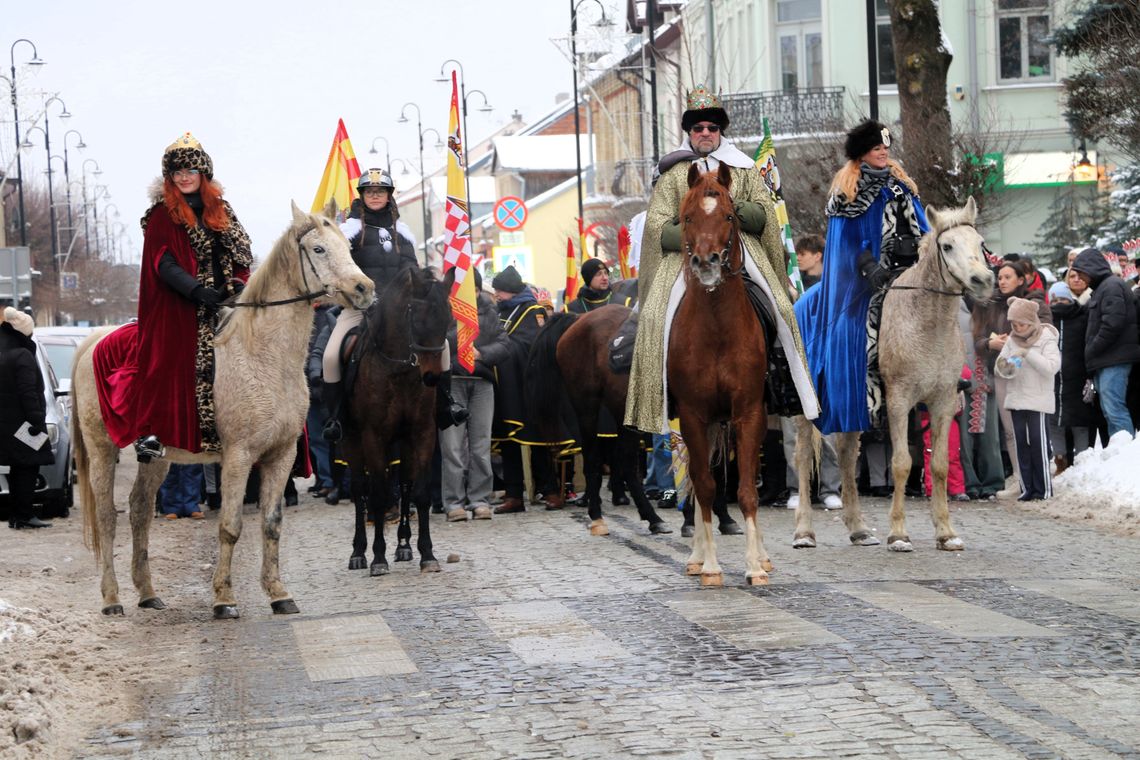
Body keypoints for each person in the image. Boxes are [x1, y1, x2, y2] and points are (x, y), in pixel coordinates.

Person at [626, 84, 819, 433]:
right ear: (689, 132)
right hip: (687, 256)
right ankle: (658, 392)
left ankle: (783, 383)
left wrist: (734, 212)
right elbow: (656, 224)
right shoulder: (672, 173)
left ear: (720, 132)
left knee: (782, 305)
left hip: (739, 250)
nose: (705, 133)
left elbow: (764, 213)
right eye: (698, 128)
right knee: (654, 313)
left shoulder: (743, 168)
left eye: (712, 128)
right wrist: (691, 234)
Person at [794, 119, 928, 435]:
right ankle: (852, 398)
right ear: (862, 153)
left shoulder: (902, 187)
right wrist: (867, 264)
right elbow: (844, 242)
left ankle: (943, 377)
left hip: (906, 270)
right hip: (862, 279)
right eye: (875, 148)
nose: (883, 153)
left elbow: (924, 227)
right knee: (848, 328)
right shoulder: (846, 194)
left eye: (885, 147)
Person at [320, 168, 466, 442]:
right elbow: (340, 269)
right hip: (360, 308)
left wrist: (418, 291)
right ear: (362, 196)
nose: (375, 196)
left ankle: (446, 405)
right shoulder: (348, 232)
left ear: (389, 196)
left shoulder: (403, 232)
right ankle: (336, 419)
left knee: (443, 347)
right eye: (370, 192)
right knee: (330, 357)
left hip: (400, 310)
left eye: (381, 191)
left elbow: (413, 269)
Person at [134, 132, 253, 462]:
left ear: (204, 175)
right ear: (170, 178)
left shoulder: (223, 210)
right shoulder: (162, 214)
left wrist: (237, 284)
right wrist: (196, 290)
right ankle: (153, 431)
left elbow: (242, 254)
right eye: (177, 173)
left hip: (225, 302)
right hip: (181, 305)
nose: (184, 177)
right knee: (166, 358)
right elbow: (163, 262)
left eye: (190, 171)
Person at [971, 259, 1051, 494]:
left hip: (1031, 373)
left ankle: (1041, 476)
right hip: (1003, 371)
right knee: (1010, 429)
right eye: (1000, 277)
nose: (1003, 281)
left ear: (1021, 279)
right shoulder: (990, 304)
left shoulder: (1035, 303)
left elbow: (1045, 334)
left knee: (1033, 428)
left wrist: (1015, 342)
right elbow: (978, 339)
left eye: (1008, 277)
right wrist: (991, 343)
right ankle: (1020, 478)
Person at [440, 269, 511, 521]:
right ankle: (453, 502)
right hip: (453, 382)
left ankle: (480, 499)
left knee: (481, 444)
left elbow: (504, 345)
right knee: (452, 446)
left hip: (481, 383)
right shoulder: (442, 311)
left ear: (479, 291)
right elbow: (437, 343)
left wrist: (481, 354)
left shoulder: (490, 312)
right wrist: (461, 335)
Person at [489, 265, 548, 513]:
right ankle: (514, 495)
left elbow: (534, 344)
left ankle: (550, 489)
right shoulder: (497, 312)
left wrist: (502, 347)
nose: (497, 296)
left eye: (500, 292)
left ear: (510, 291)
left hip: (529, 385)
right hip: (505, 388)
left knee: (538, 440)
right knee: (508, 442)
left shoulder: (533, 311)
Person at [1068, 247, 1140, 439]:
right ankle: (1119, 452)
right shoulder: (1104, 287)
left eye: (1082, 273)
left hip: (1114, 358)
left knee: (1114, 409)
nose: (1081, 278)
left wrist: (1092, 348)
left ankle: (1125, 454)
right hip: (1108, 358)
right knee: (1110, 410)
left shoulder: (1111, 286)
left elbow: (1112, 324)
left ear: (1092, 268)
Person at [995, 297, 1061, 500]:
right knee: (1022, 445)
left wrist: (1028, 354)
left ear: (1032, 322)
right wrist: (1008, 365)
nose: (1018, 328)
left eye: (1022, 324)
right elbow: (1001, 367)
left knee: (1038, 446)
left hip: (1038, 400)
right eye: (1014, 324)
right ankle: (1027, 488)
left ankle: (1043, 490)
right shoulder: (1012, 340)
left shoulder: (1046, 337)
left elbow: (1052, 367)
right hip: (1016, 398)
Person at [0, 307, 54, 529]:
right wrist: (37, 423)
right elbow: (28, 393)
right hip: (23, 425)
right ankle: (23, 515)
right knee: (28, 468)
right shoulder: (22, 355)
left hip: (5, 424)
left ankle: (16, 515)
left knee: (16, 467)